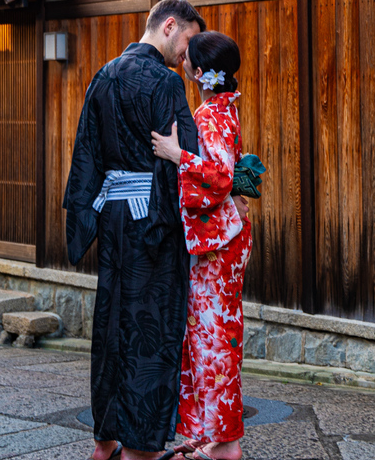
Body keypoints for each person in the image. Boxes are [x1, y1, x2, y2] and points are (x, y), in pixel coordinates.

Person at [63, 0, 205, 460]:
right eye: (186, 43)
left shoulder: (103, 75)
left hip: (114, 218)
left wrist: (85, 218)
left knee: (112, 324)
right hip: (155, 223)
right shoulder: (165, 83)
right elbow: (188, 156)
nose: (187, 56)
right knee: (152, 329)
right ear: (168, 26)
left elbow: (86, 151)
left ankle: (105, 439)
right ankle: (140, 449)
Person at [150, 31, 252, 460]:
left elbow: (220, 177)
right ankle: (214, 434)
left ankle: (226, 444)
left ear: (198, 71)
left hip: (218, 243)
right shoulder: (221, 108)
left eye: (187, 58)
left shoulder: (210, 115)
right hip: (225, 236)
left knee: (214, 340)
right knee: (212, 337)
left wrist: (176, 155)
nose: (182, 62)